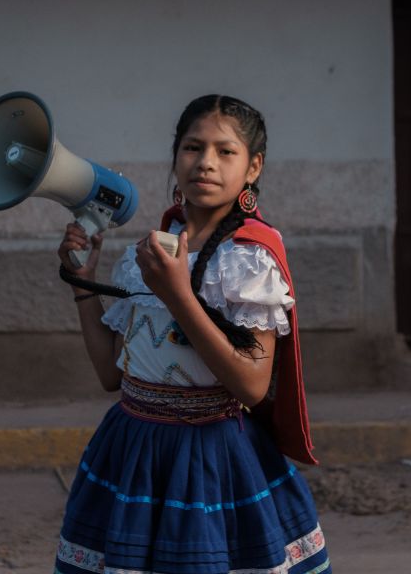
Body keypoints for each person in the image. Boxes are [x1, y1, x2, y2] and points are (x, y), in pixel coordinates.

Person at [53, 94, 331, 573]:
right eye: (192, 147)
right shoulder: (146, 256)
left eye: (226, 151)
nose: (205, 163)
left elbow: (252, 385)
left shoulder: (250, 259)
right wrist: (85, 280)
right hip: (133, 453)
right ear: (175, 156)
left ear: (253, 168)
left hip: (212, 460)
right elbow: (109, 374)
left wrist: (178, 295)